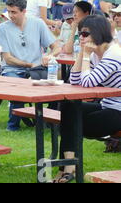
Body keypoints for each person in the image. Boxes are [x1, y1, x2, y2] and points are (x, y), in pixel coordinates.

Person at [53, 15, 121, 183]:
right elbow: (74, 81)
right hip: (107, 106)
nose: (81, 38)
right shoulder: (95, 53)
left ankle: (68, 168)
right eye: (80, 34)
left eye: (84, 34)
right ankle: (69, 167)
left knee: (72, 121)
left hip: (118, 111)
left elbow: (87, 82)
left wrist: (85, 54)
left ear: (98, 33)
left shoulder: (113, 53)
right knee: (69, 108)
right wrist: (83, 52)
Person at [0, 0, 62, 131]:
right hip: (12, 69)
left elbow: (57, 46)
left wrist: (49, 56)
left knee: (56, 87)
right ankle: (13, 125)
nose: (10, 15)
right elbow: (7, 58)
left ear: (24, 11)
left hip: (36, 68)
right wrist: (29, 65)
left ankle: (47, 120)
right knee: (17, 86)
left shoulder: (37, 23)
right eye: (8, 11)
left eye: (13, 12)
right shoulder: (3, 28)